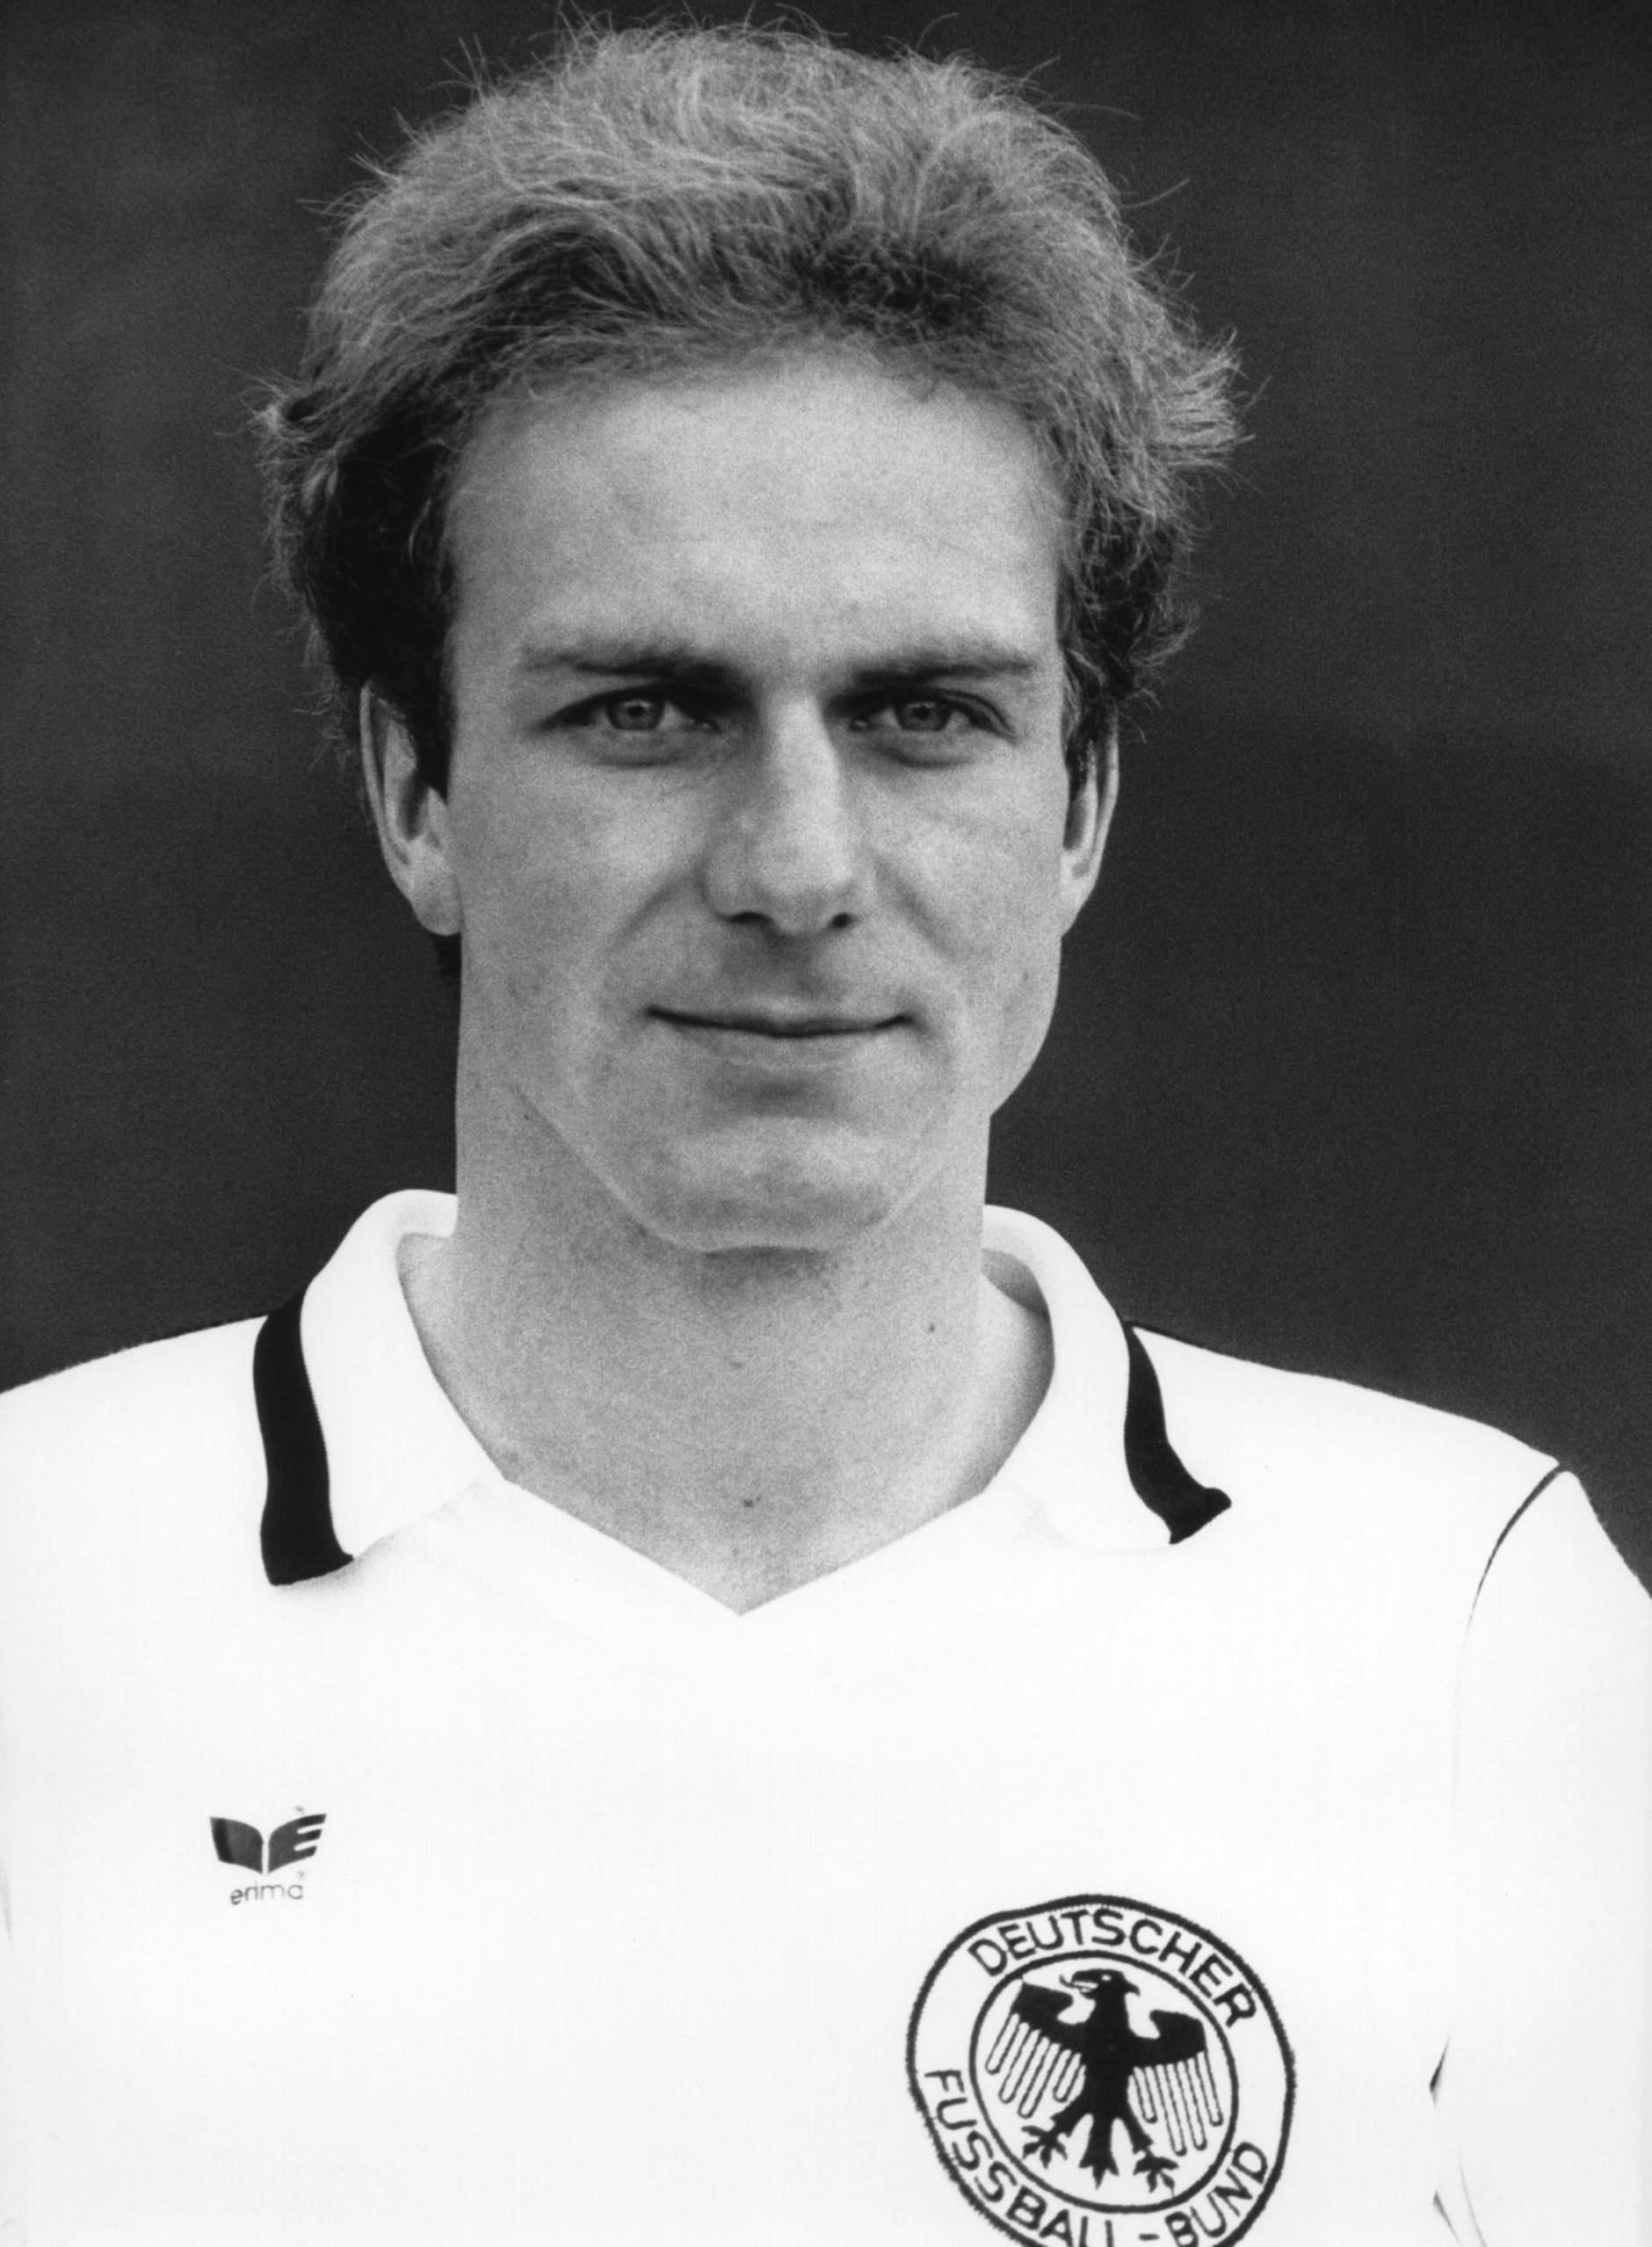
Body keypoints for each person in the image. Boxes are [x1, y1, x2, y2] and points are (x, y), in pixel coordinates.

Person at [1, 23, 1646, 2247]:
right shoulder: (35, 1593)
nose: (796, 864)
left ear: (1079, 807)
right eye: (646, 710)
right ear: (415, 793)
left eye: (923, 714)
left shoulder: (1461, 1631)